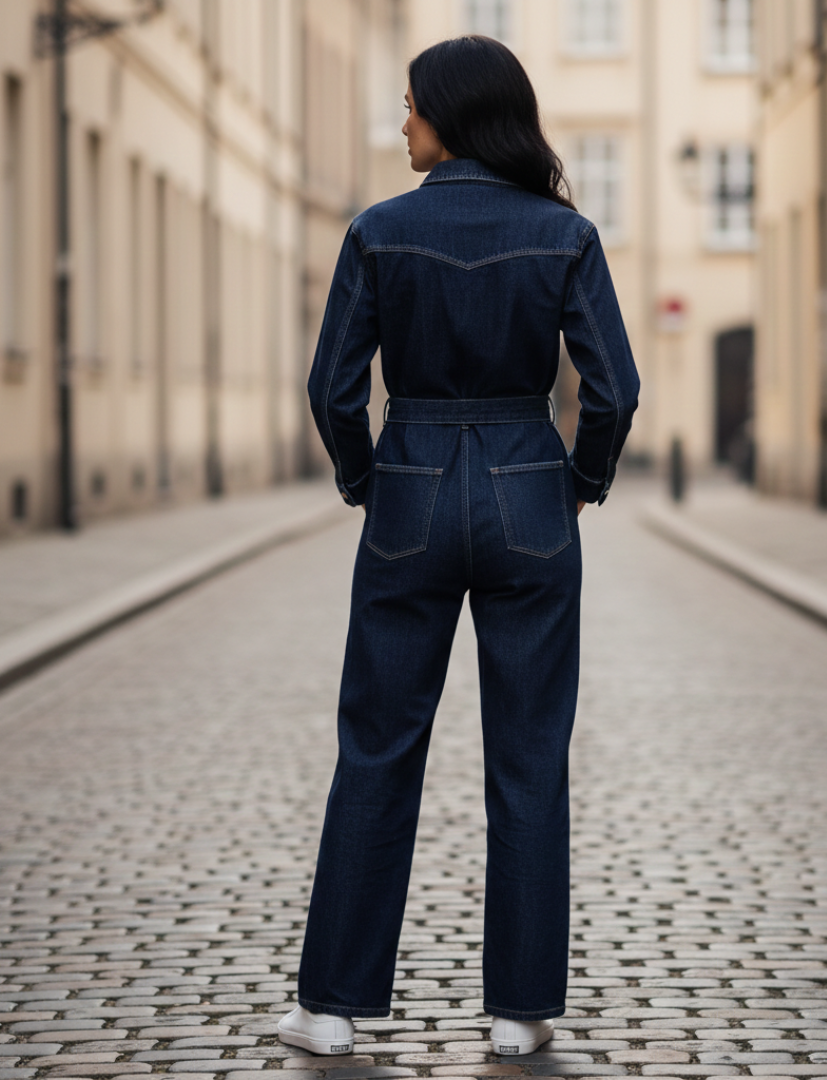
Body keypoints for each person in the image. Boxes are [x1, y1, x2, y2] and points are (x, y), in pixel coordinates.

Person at [277, 34, 639, 1059]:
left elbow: (332, 390)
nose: (403, 124)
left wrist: (366, 480)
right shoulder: (565, 234)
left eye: (411, 106)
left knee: (377, 747)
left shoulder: (378, 231)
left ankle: (330, 1009)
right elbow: (613, 390)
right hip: (529, 489)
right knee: (530, 755)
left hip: (412, 489)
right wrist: (578, 483)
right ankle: (520, 1013)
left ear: (452, 113)